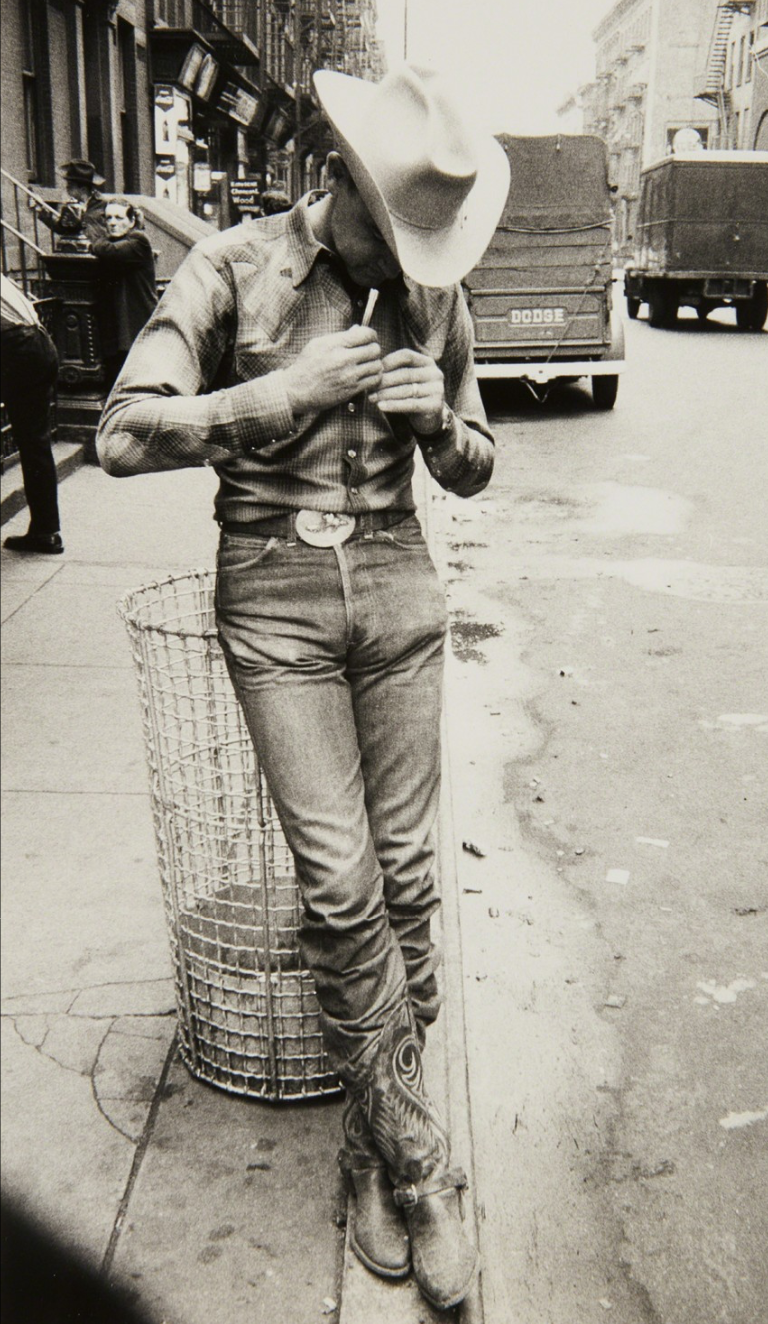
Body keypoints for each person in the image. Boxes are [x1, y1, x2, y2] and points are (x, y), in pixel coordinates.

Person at [97, 64, 509, 1313]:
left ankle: (375, 1140)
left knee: (410, 875)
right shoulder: (226, 266)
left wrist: (439, 424)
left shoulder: (435, 295)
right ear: (337, 179)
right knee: (337, 883)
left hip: (397, 581)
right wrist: (275, 397)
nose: (411, 261)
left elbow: (481, 463)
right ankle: (424, 1164)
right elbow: (120, 431)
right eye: (396, 229)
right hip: (271, 586)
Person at [1, 273, 63, 555]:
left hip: (15, 346)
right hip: (38, 342)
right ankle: (46, 531)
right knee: (35, 443)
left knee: (32, 442)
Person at [89, 197, 158, 390]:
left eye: (119, 218)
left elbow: (109, 250)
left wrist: (93, 243)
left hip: (137, 322)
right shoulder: (117, 241)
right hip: (118, 325)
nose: (112, 223)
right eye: (109, 218)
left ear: (132, 221)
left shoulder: (138, 241)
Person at [32, 160, 108, 244]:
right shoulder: (72, 206)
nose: (67, 189)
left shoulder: (103, 204)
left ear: (83, 189)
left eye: (70, 186)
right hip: (76, 250)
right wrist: (41, 210)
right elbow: (62, 228)